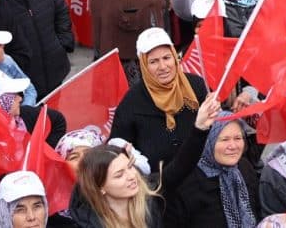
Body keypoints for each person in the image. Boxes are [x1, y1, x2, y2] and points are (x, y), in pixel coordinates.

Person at [69, 93, 222, 227]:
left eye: (130, 167)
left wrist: (200, 127)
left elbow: (180, 167)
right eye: (119, 174)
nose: (131, 176)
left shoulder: (148, 195)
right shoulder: (86, 223)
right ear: (100, 187)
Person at [110, 28, 210, 173]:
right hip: (159, 184)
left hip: (200, 178)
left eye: (166, 58)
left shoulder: (196, 86)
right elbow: (117, 145)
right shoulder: (132, 102)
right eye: (153, 62)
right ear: (143, 65)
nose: (163, 67)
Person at [166, 114, 261, 228]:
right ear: (208, 141)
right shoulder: (187, 181)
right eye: (224, 139)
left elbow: (258, 210)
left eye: (238, 138)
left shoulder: (244, 168)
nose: (233, 146)